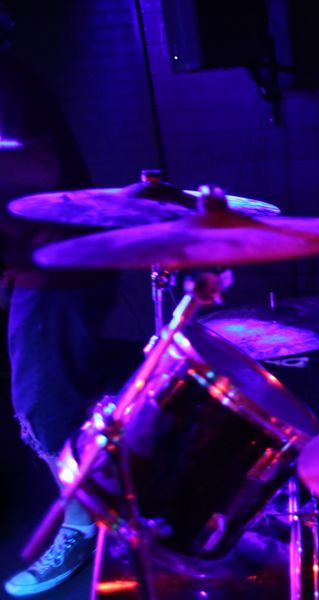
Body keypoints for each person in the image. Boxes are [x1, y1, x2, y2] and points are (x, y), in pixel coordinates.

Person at [1, 7, 118, 596]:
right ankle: (102, 506)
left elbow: (41, 165)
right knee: (61, 400)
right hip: (41, 265)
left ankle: (81, 529)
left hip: (58, 270)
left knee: (44, 407)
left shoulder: (5, 82)